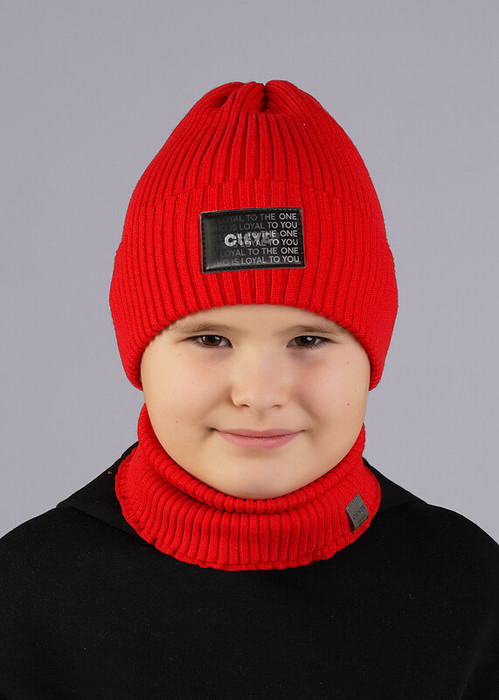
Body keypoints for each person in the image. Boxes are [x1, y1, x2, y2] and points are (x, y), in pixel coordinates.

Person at [1, 80, 498, 699]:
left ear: (372, 357)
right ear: (139, 356)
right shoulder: (25, 599)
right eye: (210, 339)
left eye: (309, 339)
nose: (259, 394)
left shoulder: (465, 589)